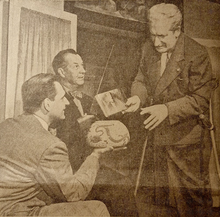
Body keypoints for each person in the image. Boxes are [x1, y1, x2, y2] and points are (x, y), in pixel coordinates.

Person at [124, 3, 215, 217]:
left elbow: (200, 100)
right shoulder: (148, 48)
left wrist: (166, 109)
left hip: (188, 144)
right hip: (158, 139)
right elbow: (141, 79)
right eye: (153, 34)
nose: (156, 42)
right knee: (161, 203)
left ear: (177, 32)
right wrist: (138, 97)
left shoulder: (197, 54)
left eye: (162, 36)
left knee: (193, 204)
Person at [0, 73, 112, 216]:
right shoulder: (51, 145)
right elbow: (73, 193)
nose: (67, 102)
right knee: (97, 209)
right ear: (47, 104)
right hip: (16, 213)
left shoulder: (6, 125)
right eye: (62, 98)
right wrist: (96, 155)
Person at [52, 49, 138, 216]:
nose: (83, 70)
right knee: (120, 189)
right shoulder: (54, 100)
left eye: (82, 66)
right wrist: (82, 126)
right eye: (76, 66)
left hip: (90, 164)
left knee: (123, 184)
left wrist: (120, 108)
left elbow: (102, 128)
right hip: (69, 171)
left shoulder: (87, 100)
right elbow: (55, 138)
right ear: (61, 72)